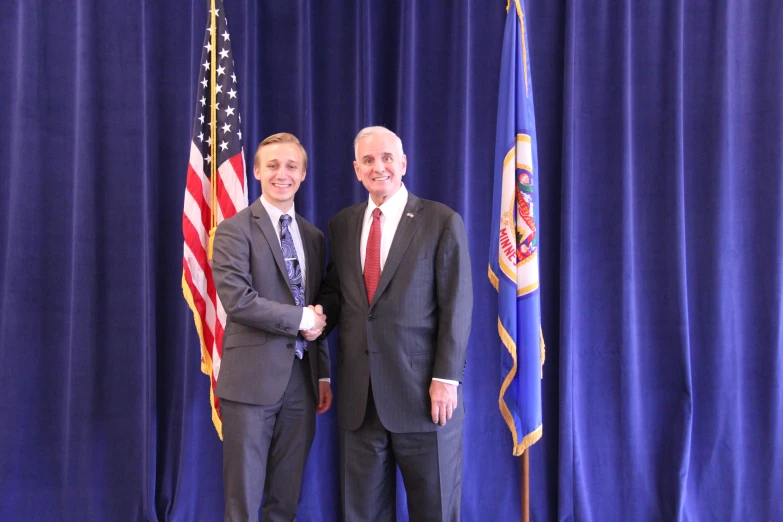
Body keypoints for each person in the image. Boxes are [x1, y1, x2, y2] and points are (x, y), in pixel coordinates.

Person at [318, 126, 473, 521]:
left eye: (387, 158)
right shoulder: (342, 225)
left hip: (423, 398)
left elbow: (457, 305)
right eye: (368, 160)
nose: (378, 167)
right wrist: (314, 317)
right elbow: (341, 297)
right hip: (360, 402)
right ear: (356, 169)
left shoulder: (440, 221)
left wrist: (447, 378)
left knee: (434, 512)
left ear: (403, 163)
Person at [212, 132, 332, 522]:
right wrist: (301, 320)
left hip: (302, 380)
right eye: (274, 166)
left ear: (303, 174)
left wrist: (324, 375)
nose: (283, 174)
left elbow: (315, 306)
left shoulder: (313, 237)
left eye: (291, 166)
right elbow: (239, 301)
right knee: (243, 500)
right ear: (258, 170)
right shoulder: (234, 229)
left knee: (286, 496)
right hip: (250, 383)